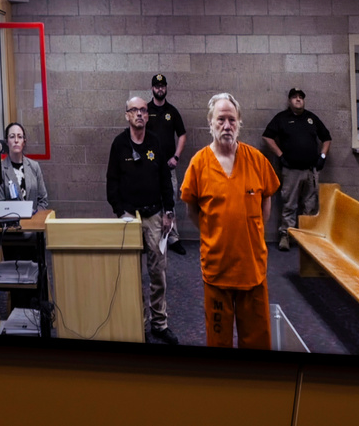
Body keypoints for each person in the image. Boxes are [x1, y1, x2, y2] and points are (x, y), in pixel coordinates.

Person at [181, 93, 279, 349]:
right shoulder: (199, 164)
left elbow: (266, 197)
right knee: (219, 343)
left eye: (232, 120)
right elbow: (191, 207)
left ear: (239, 123)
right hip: (217, 269)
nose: (227, 125)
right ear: (210, 123)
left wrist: (254, 230)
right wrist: (211, 232)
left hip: (251, 268)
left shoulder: (257, 160)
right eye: (221, 119)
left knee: (257, 341)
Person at [106, 96, 178, 344]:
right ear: (126, 115)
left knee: (158, 273)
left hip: (155, 216)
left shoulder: (155, 142)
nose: (139, 114)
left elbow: (165, 181)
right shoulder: (119, 145)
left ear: (148, 115)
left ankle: (159, 323)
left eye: (143, 110)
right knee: (131, 274)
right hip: (129, 217)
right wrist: (119, 212)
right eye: (134, 110)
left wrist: (169, 212)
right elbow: (111, 183)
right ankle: (139, 325)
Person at [261, 88, 331, 251]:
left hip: (310, 170)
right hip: (291, 170)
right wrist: (280, 155)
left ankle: (306, 237)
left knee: (310, 204)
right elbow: (267, 137)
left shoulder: (311, 118)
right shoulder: (282, 118)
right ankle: (286, 235)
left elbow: (327, 138)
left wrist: (322, 157)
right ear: (289, 101)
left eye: (301, 97)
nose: (298, 100)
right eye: (294, 97)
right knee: (289, 204)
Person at [146, 73, 188, 255]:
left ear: (166, 88)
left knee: (169, 201)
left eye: (162, 86)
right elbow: (139, 135)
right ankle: (149, 238)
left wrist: (176, 157)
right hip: (149, 168)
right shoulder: (145, 110)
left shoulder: (172, 111)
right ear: (152, 88)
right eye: (157, 86)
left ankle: (173, 238)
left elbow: (183, 135)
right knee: (148, 200)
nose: (160, 89)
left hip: (168, 167)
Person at [0, 122, 48, 211]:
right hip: (11, 222)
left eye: (19, 137)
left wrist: (33, 216)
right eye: (12, 136)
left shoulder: (34, 166)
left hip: (34, 221)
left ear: (24, 141)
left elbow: (43, 201)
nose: (16, 140)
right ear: (7, 141)